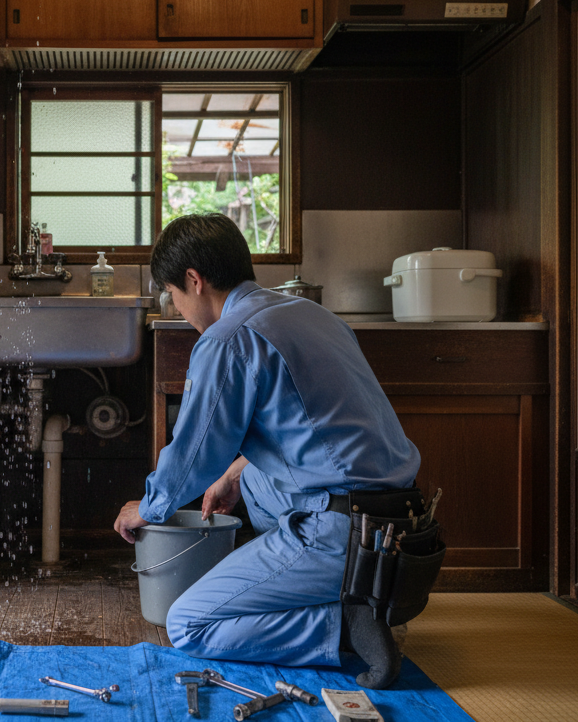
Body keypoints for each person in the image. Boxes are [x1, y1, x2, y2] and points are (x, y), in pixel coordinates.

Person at [113, 213, 421, 689]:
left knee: (187, 624)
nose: (175, 307)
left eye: (172, 294)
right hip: (402, 525)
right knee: (247, 479)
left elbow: (194, 456)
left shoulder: (226, 338)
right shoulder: (312, 315)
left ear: (194, 281)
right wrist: (235, 475)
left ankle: (342, 625)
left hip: (344, 529)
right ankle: (331, 586)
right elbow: (309, 427)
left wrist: (149, 509)